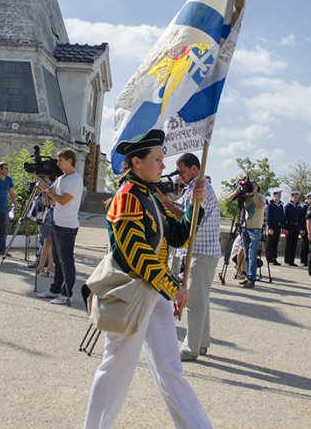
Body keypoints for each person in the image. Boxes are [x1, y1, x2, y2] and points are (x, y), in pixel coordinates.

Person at [83, 129, 211, 429]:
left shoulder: (150, 194)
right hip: (132, 292)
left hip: (154, 293)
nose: (163, 166)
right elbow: (136, 256)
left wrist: (196, 204)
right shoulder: (127, 197)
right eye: (157, 159)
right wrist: (173, 287)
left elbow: (178, 236)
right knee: (115, 369)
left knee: (170, 368)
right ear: (137, 162)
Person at [158, 152, 221, 361]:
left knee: (194, 301)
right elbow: (183, 211)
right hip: (200, 251)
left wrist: (163, 201)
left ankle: (190, 347)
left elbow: (184, 216)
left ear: (195, 169)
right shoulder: (194, 187)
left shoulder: (199, 189)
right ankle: (201, 342)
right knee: (201, 300)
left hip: (202, 251)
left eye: (183, 172)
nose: (180, 176)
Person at [36, 149, 83, 305]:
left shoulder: (76, 180)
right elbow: (50, 201)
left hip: (68, 226)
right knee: (57, 260)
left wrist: (49, 190)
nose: (57, 163)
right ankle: (55, 289)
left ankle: (66, 294)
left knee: (66, 261)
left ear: (70, 161)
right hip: (57, 223)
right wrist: (44, 189)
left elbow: (63, 200)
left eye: (60, 160)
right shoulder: (61, 178)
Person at [228, 181, 265, 288]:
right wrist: (237, 192)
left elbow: (259, 206)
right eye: (251, 185)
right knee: (247, 255)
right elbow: (229, 200)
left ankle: (252, 280)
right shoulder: (246, 197)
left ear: (258, 187)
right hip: (245, 228)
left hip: (255, 229)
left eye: (254, 185)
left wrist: (253, 195)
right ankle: (248, 277)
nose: (252, 187)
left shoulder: (261, 196)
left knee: (252, 254)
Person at [283, 190, 302, 266]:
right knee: (289, 244)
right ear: (292, 197)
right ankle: (287, 260)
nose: (296, 199)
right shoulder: (287, 206)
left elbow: (300, 218)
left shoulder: (298, 207)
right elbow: (285, 217)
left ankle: (292, 260)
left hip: (296, 227)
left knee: (294, 244)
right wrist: (285, 228)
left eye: (297, 197)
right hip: (289, 227)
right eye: (295, 197)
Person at [266, 189, 285, 266]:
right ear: (274, 196)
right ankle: (269, 258)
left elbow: (282, 216)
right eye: (278, 195)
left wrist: (283, 225)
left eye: (280, 196)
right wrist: (270, 227)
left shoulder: (280, 205)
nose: (279, 197)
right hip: (273, 226)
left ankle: (274, 258)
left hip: (278, 226)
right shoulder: (270, 205)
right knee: (271, 243)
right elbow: (269, 217)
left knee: (275, 243)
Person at [300, 192, 311, 266]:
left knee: (309, 245)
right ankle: (303, 260)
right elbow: (303, 219)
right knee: (305, 245)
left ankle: (307, 260)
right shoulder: (304, 207)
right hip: (305, 228)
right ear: (307, 199)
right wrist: (302, 229)